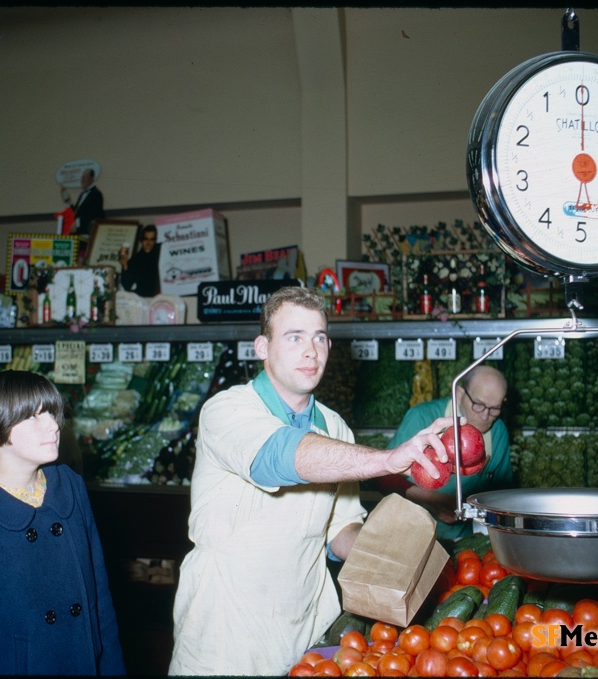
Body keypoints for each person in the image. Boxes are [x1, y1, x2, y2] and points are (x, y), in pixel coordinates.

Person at [168, 286, 451, 676]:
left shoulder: (335, 427)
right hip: (226, 628)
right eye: (294, 337)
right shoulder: (227, 410)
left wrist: (395, 550)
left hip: (308, 626)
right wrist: (389, 459)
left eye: (319, 337)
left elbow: (340, 530)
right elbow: (280, 456)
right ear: (261, 348)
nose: (310, 350)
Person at [0, 370, 125, 675]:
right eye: (33, 416)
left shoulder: (70, 487)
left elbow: (99, 599)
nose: (53, 426)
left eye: (52, 413)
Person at [384, 364, 512, 542]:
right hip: (410, 533)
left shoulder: (498, 432)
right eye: (478, 405)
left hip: (463, 536)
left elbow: (503, 492)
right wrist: (432, 499)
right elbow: (383, 477)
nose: (486, 416)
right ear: (459, 394)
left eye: (495, 408)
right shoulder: (421, 418)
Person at [119, 223, 161, 296]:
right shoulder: (135, 260)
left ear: (155, 240)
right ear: (141, 240)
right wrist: (125, 266)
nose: (149, 243)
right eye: (146, 239)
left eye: (152, 239)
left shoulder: (161, 255)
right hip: (142, 300)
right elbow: (127, 285)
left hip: (161, 298)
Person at [70, 168, 105, 236]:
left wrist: (77, 222)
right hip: (78, 233)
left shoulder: (96, 194)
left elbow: (96, 215)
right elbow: (78, 212)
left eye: (85, 177)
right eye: (82, 177)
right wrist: (69, 202)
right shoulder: (82, 194)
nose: (82, 180)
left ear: (91, 179)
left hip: (87, 233)